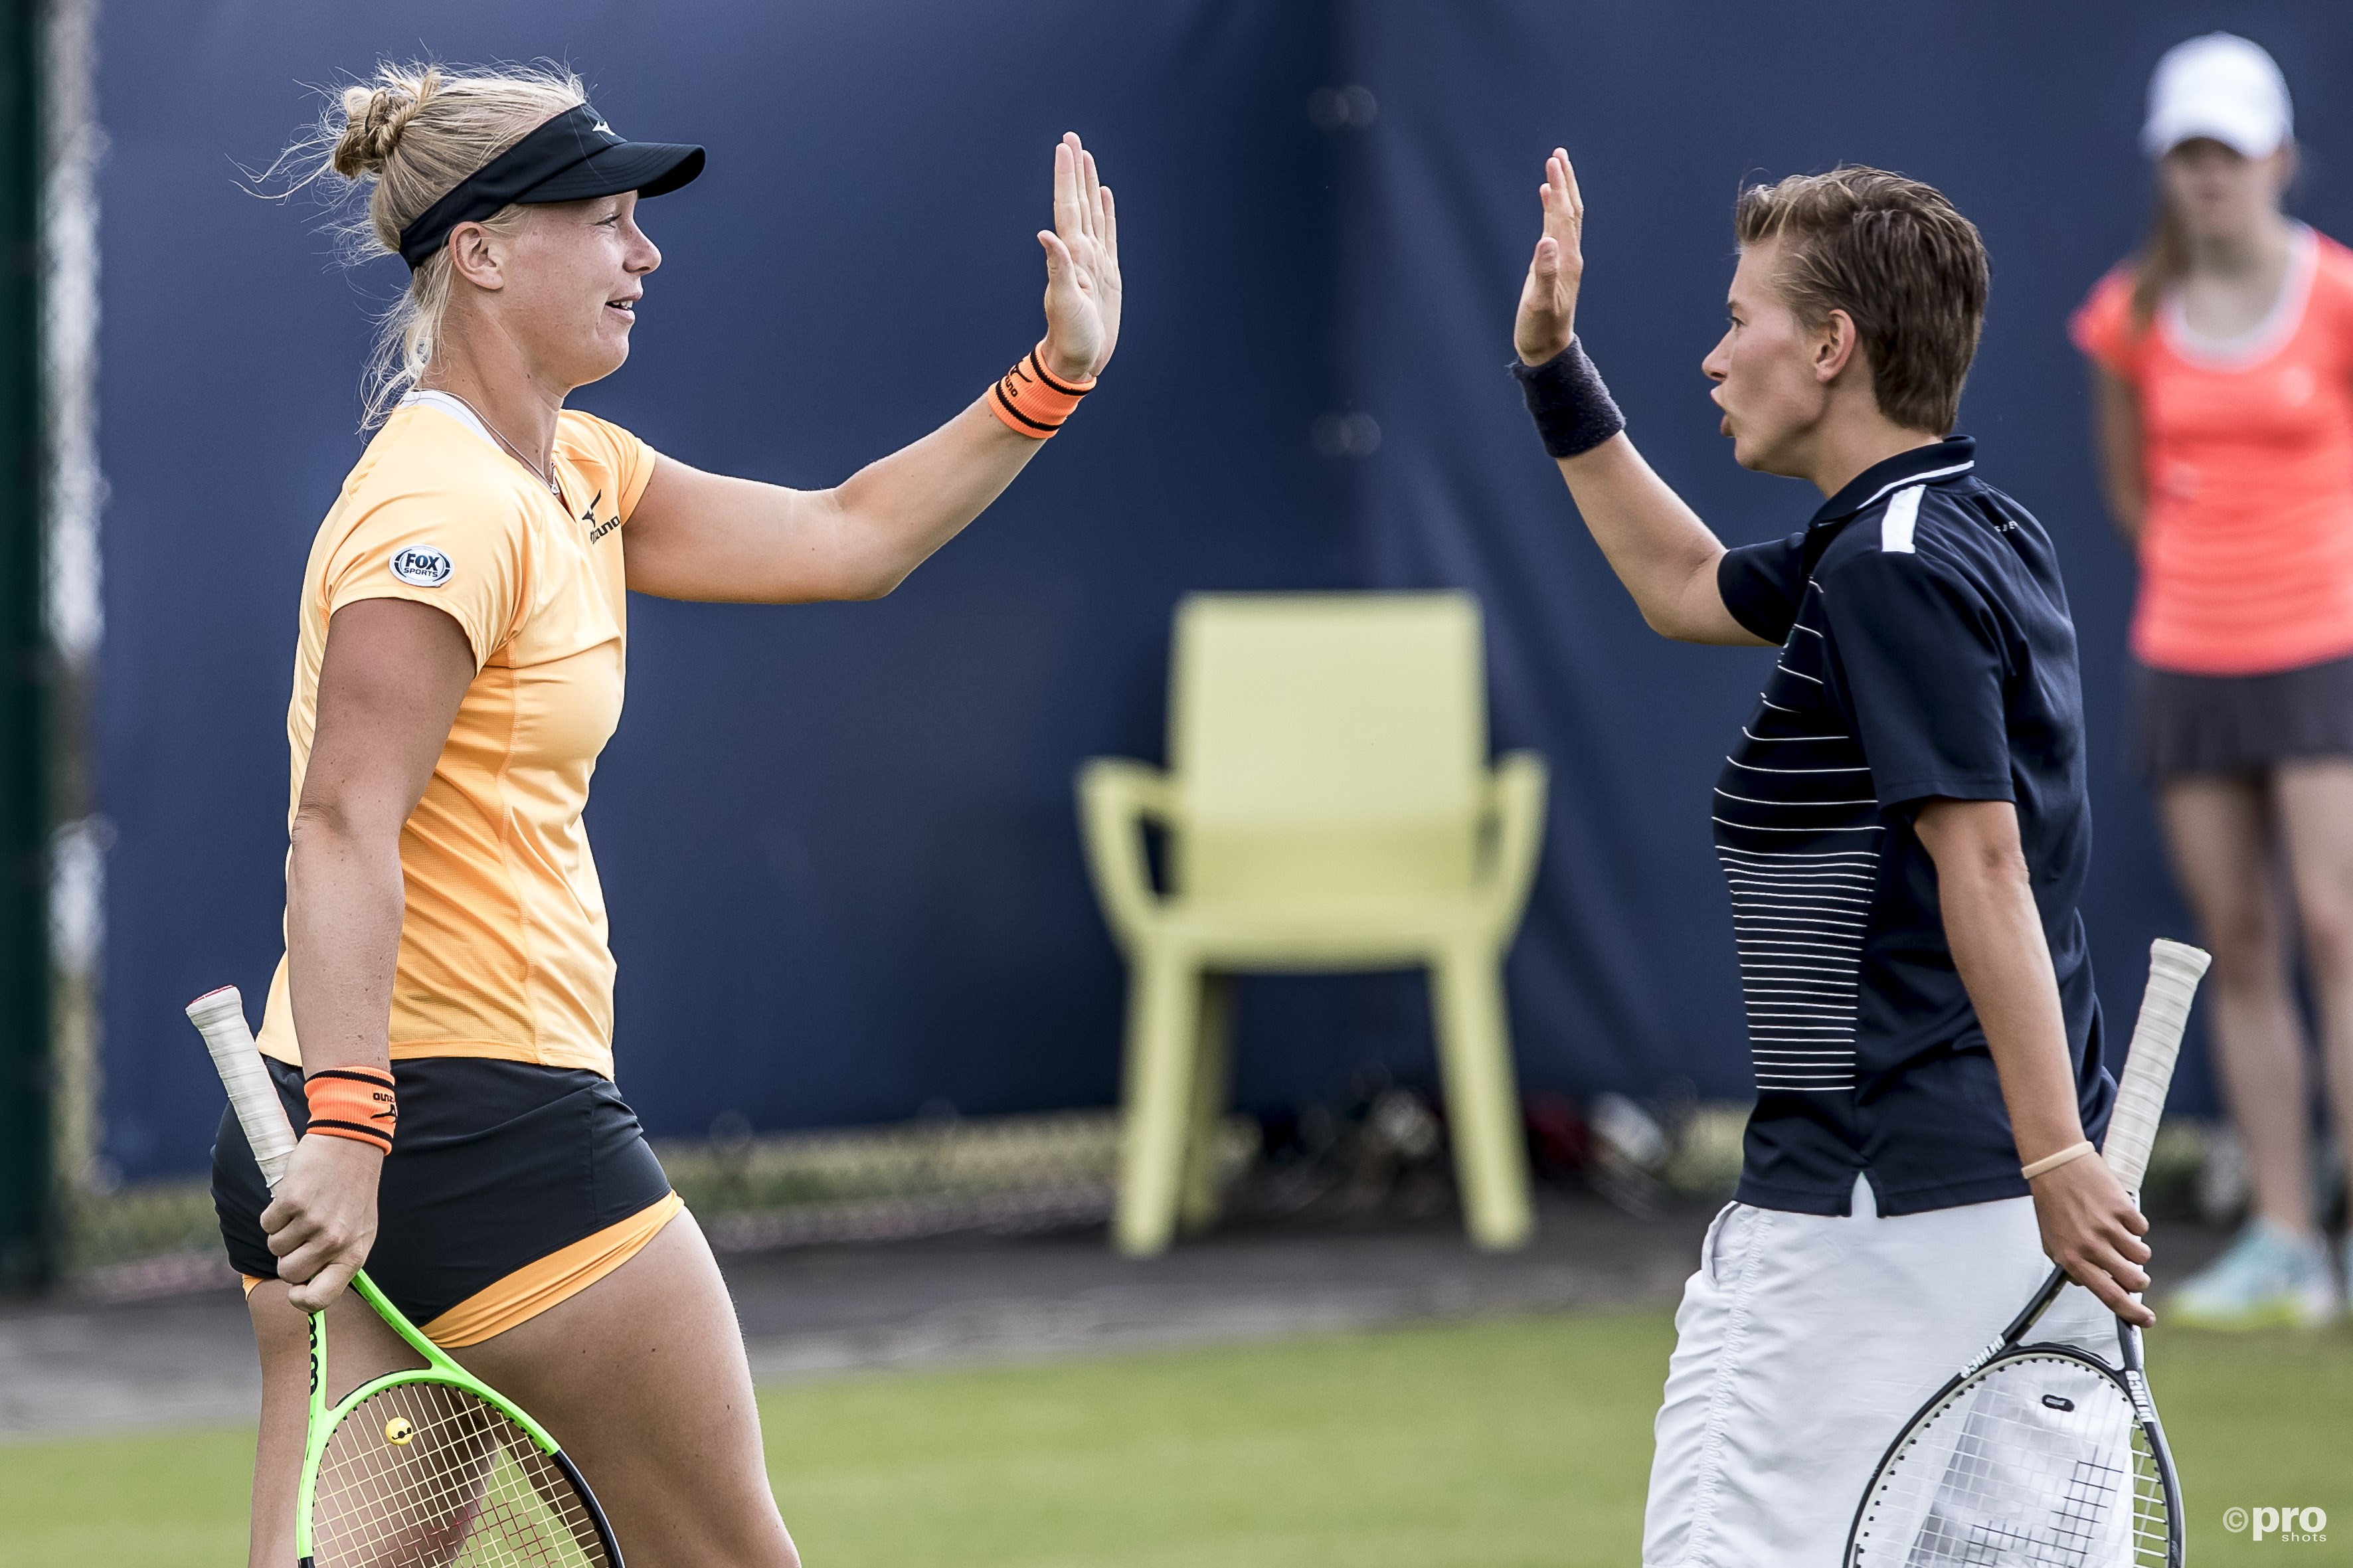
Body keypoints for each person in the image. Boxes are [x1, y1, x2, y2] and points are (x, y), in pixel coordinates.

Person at [209, 61, 1121, 1567]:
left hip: (352, 1114)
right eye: (606, 221)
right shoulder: (437, 508)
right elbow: (339, 823)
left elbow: (849, 537)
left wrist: (1050, 377)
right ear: (484, 251)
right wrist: (360, 1134)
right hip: (459, 1125)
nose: (644, 255)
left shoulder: (574, 470)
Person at [1508, 156, 2137, 1562]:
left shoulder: (1888, 568)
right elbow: (1677, 587)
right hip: (2002, 1215)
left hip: (1870, 1215)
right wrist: (1549, 365)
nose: (1714, 354)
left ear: (1832, 346)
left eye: (1742, 319)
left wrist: (2051, 1153)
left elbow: (1977, 863)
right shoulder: (1951, 529)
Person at [2072, 31, 2350, 1330]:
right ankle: (2283, 1231)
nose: (2206, 178)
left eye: (2227, 154)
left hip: (2323, 646)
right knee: (2232, 941)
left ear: (2277, 159)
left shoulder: (2338, 296)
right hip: (2185, 653)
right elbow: (2129, 491)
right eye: (2186, 154)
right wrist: (2205, 582)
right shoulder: (2126, 313)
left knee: (2334, 927)